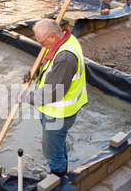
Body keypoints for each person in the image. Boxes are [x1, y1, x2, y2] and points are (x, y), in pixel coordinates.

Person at [16, 18, 88, 177]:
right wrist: (34, 73)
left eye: (42, 43)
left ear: (52, 37)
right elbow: (49, 64)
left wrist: (27, 96)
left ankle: (57, 177)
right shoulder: (64, 40)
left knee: (51, 150)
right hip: (54, 110)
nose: (41, 46)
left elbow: (52, 93)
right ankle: (61, 168)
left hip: (59, 114)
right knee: (58, 143)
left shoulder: (65, 57)